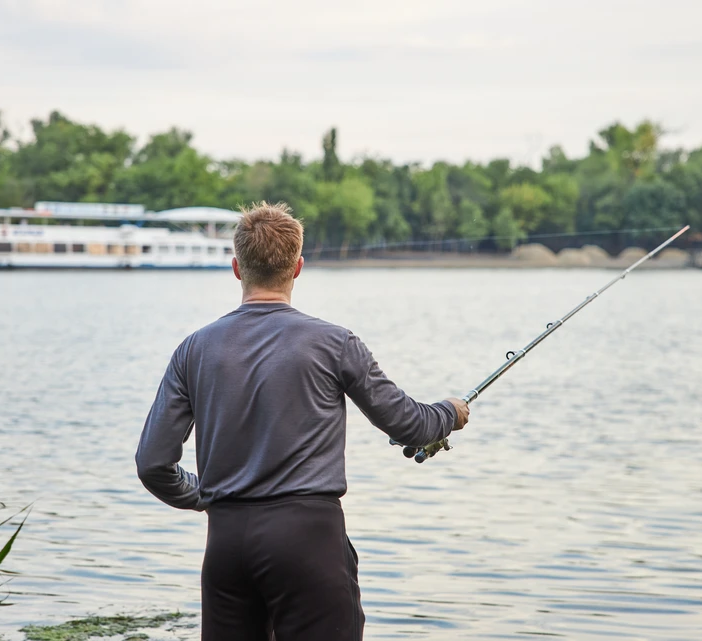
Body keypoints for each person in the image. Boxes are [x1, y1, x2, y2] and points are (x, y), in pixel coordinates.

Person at [135, 202, 470, 641]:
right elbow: (411, 425)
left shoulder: (193, 350)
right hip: (309, 541)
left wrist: (206, 496)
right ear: (298, 267)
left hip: (226, 543)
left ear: (237, 268)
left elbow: (152, 464)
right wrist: (450, 412)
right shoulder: (335, 343)